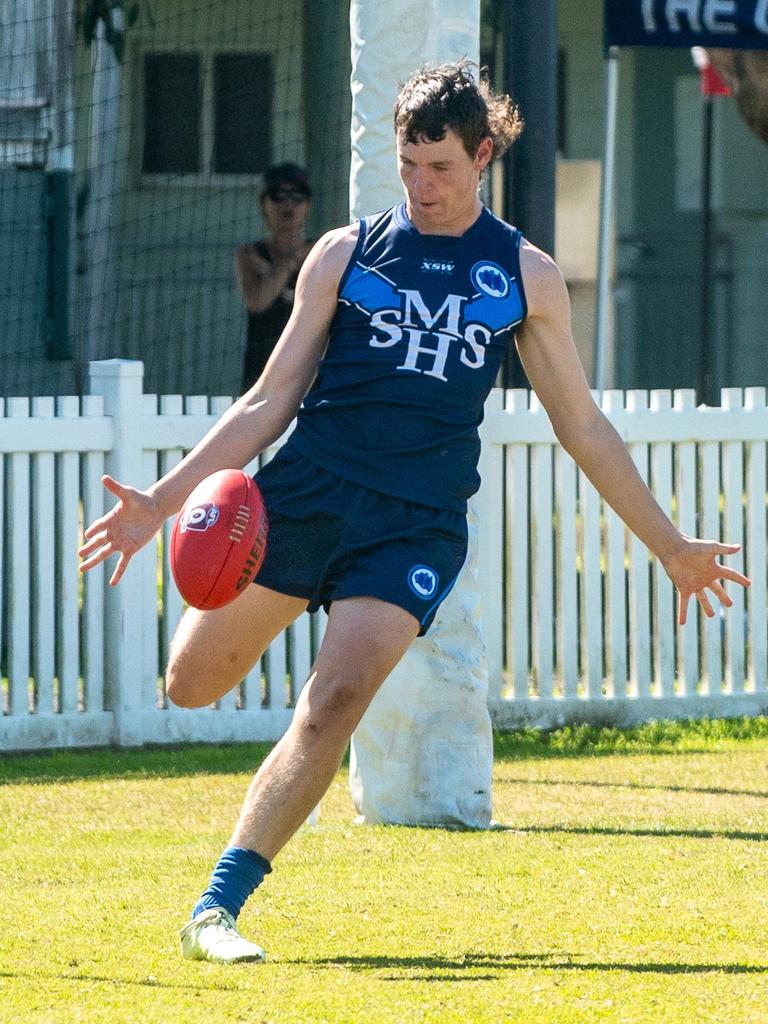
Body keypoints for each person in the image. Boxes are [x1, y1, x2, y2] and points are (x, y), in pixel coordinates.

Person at [78, 61, 749, 965]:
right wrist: (161, 504)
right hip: (304, 495)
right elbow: (267, 403)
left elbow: (583, 427)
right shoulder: (345, 255)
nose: (422, 186)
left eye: (440, 167)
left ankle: (217, 910)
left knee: (336, 701)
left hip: (414, 525)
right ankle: (219, 866)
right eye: (408, 165)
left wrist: (668, 546)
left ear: (482, 157)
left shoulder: (524, 275)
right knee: (191, 686)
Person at [235, 162, 314, 391]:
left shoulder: (321, 250)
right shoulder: (249, 254)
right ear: (264, 203)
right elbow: (258, 302)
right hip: (262, 369)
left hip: (308, 371)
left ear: (308, 205)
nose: (288, 203)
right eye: (278, 195)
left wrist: (270, 273)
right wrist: (291, 264)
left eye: (297, 195)